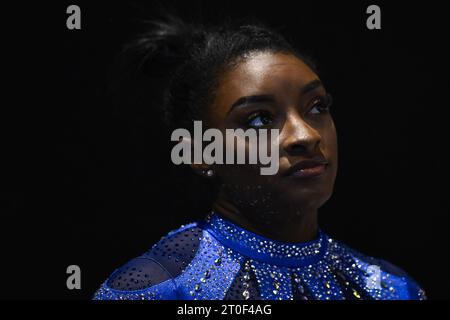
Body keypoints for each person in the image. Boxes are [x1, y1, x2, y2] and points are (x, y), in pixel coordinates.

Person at [93, 16, 425, 300]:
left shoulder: (389, 288)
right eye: (259, 120)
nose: (306, 135)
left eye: (317, 107)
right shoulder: (162, 287)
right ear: (199, 152)